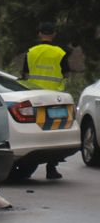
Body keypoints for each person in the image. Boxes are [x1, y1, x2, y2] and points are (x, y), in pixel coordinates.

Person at [20, 22, 70, 179]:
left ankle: (26, 162)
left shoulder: (31, 52)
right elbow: (67, 74)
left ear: (39, 34)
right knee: (54, 132)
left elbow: (24, 74)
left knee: (32, 130)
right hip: (55, 98)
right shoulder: (60, 53)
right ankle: (51, 168)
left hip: (34, 97)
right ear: (54, 34)